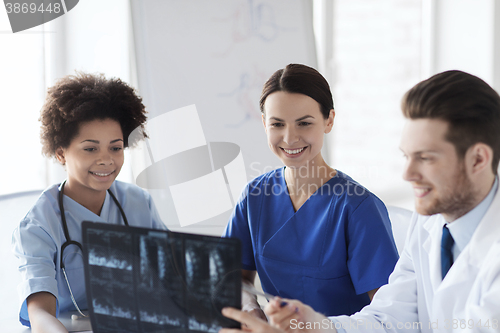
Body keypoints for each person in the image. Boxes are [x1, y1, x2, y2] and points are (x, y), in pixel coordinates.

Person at [221, 70, 500, 333]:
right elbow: (388, 318)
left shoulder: (356, 206)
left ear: (478, 159)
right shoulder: (429, 222)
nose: (407, 174)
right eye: (406, 156)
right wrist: (318, 326)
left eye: (425, 158)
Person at [222, 64, 399, 318]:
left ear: (329, 120)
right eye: (277, 124)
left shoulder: (358, 207)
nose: (290, 138)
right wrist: (251, 310)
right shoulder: (255, 196)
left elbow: (388, 314)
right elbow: (232, 276)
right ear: (264, 124)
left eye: (304, 123)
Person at [11, 72, 167, 333]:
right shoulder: (39, 225)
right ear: (61, 153)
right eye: (90, 148)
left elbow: (170, 278)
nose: (106, 160)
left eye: (115, 148)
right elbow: (40, 314)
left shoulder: (139, 203)